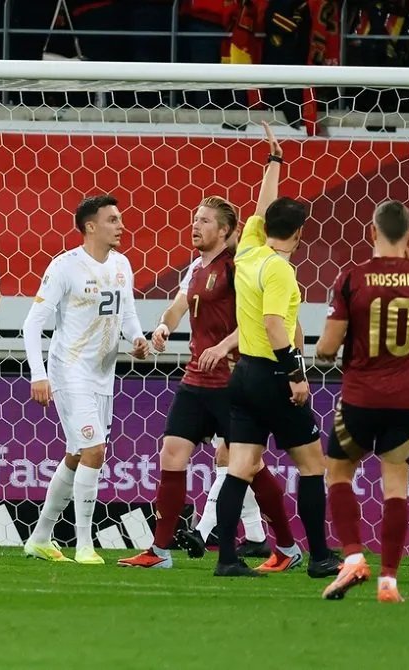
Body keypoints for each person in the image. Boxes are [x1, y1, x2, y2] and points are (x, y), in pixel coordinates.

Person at [212, 121, 339, 578]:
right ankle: (320, 557)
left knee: (240, 467)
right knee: (312, 465)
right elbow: (273, 324)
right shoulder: (281, 270)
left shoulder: (248, 251)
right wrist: (297, 374)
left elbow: (261, 207)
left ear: (264, 227)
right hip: (272, 375)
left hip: (243, 374)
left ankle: (227, 560)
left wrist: (274, 161)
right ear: (301, 232)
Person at [117, 195, 268, 569]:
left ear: (225, 230)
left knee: (248, 464)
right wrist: (164, 327)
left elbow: (257, 320)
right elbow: (177, 305)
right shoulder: (197, 268)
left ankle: (284, 545)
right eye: (195, 219)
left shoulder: (238, 267)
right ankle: (160, 551)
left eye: (204, 221)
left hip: (233, 380)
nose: (195, 225)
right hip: (197, 378)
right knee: (172, 452)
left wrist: (224, 345)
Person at [22, 194, 149, 564]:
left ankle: (40, 538)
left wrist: (137, 340)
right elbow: (32, 324)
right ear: (90, 226)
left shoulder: (122, 264)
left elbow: (127, 315)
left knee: (78, 454)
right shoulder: (65, 267)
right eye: (112, 220)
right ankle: (84, 545)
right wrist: (38, 375)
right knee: (95, 450)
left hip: (102, 375)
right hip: (69, 371)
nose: (121, 226)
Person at [316, 200, 409, 603]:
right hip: (406, 401)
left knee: (338, 473)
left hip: (360, 398)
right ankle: (389, 583)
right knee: (396, 487)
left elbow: (326, 349)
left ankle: (352, 557)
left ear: (371, 232)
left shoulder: (353, 278)